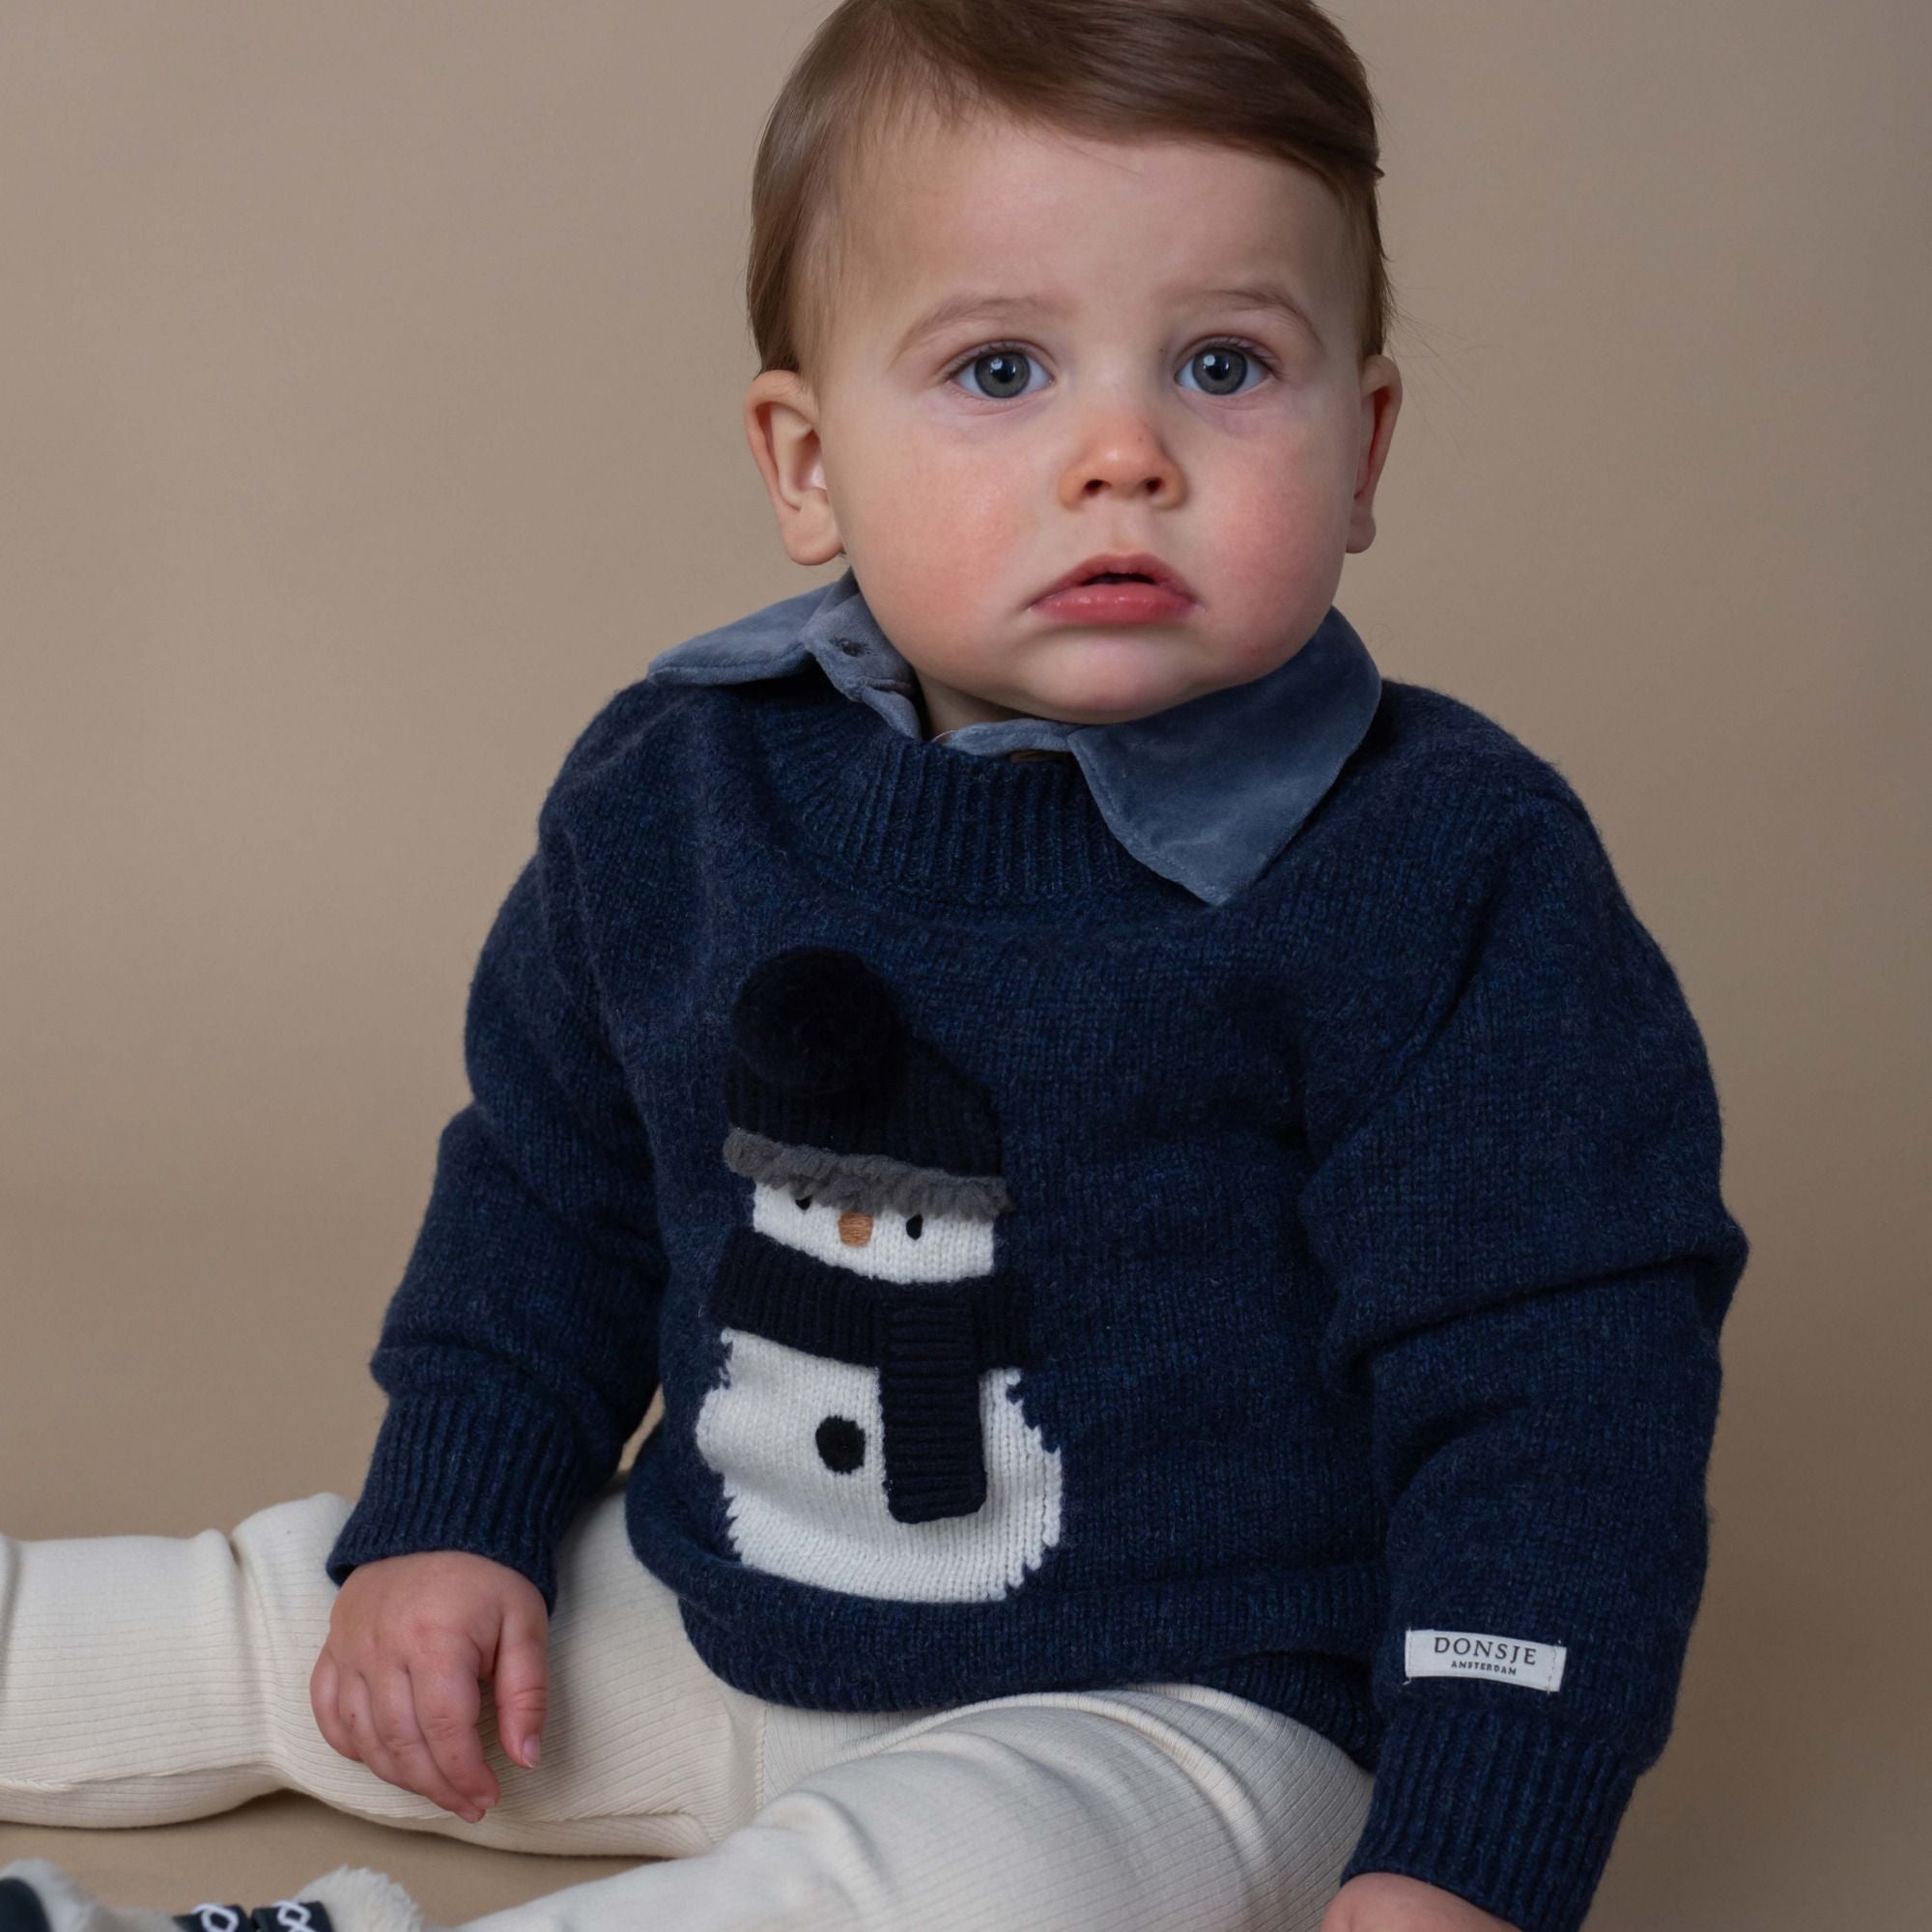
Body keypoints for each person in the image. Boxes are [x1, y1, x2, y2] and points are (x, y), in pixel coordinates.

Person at [0, 3, 1750, 1930]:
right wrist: (454, 1513)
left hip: (1188, 1714)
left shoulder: (1446, 869)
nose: (1122, 455)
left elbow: (1558, 1400)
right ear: (807, 461)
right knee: (299, 1609)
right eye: (1000, 368)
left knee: (947, 1884)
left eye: (1225, 366)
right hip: (728, 1600)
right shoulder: (679, 790)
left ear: (1363, 446)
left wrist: (1466, 1856)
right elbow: (552, 1187)